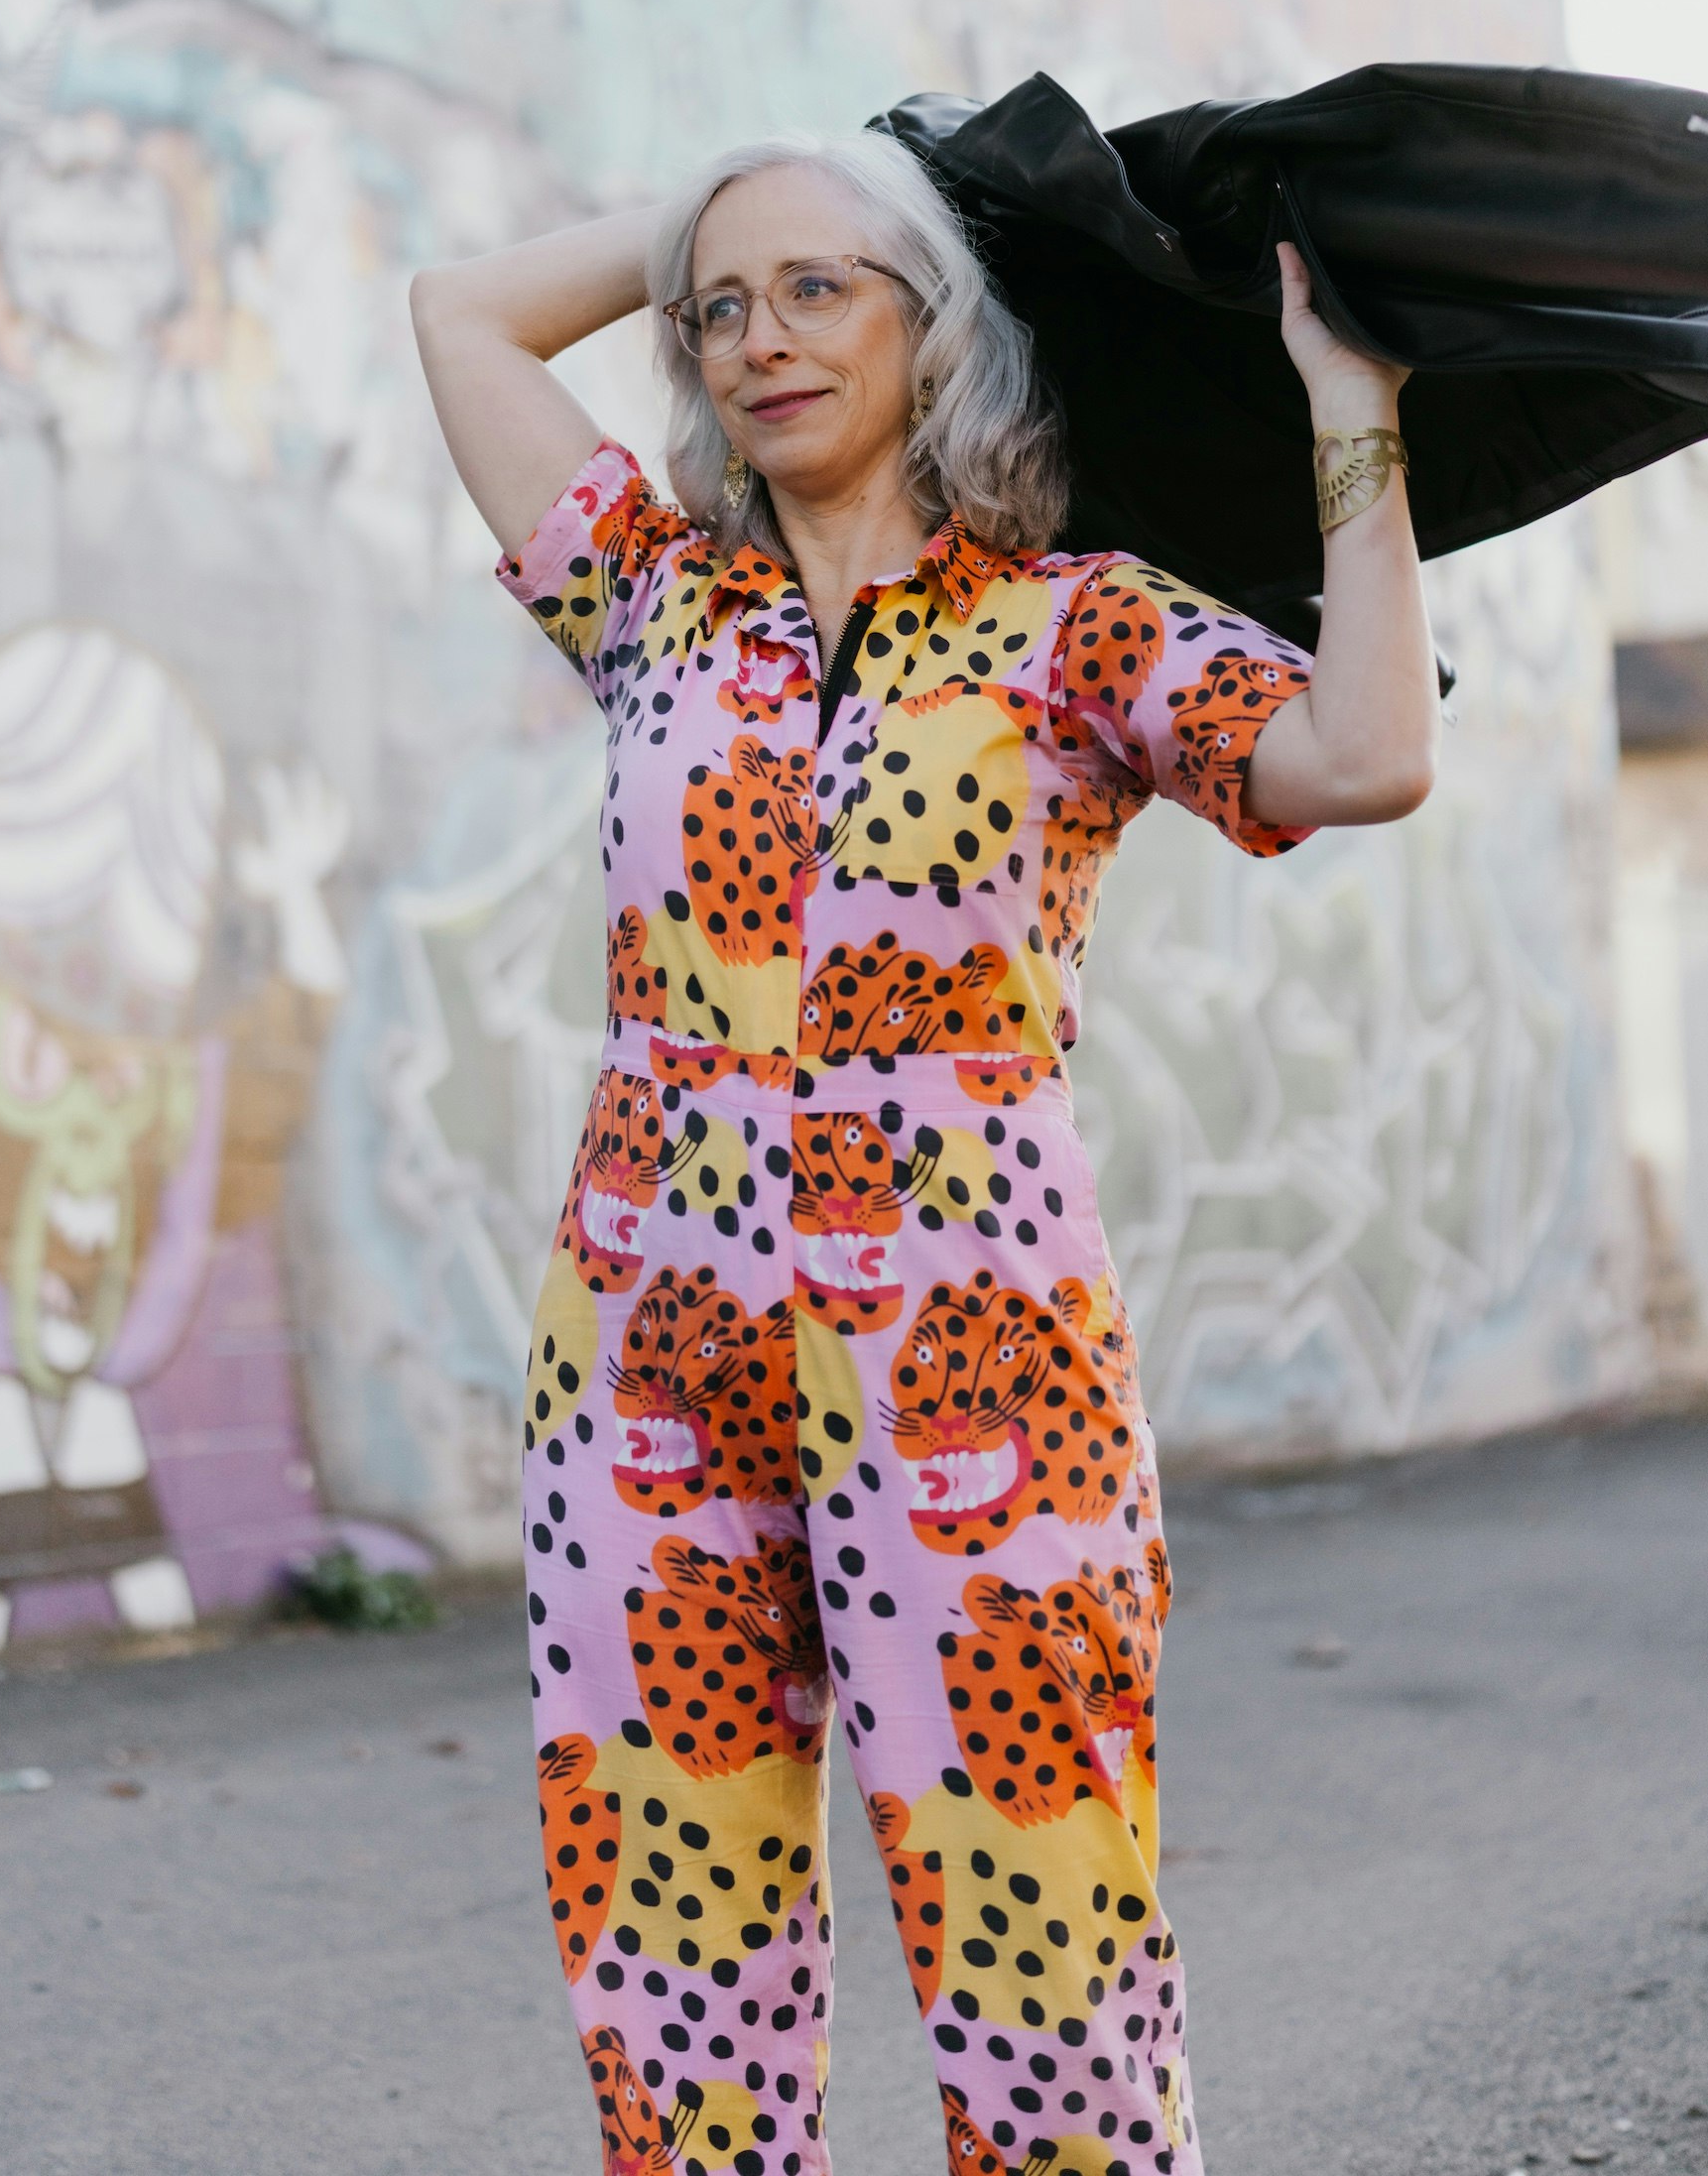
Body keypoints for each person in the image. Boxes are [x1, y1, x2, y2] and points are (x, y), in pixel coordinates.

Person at [412, 130, 1436, 2176]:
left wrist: (1351, 415)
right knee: (667, 1968)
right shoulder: (649, 601)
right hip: (645, 1365)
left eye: (819, 287)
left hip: (977, 1364)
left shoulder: (1069, 628)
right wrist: (728, 187)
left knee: (1043, 1950)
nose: (759, 339)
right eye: (718, 308)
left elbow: (1368, 755)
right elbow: (460, 314)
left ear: (934, 322)